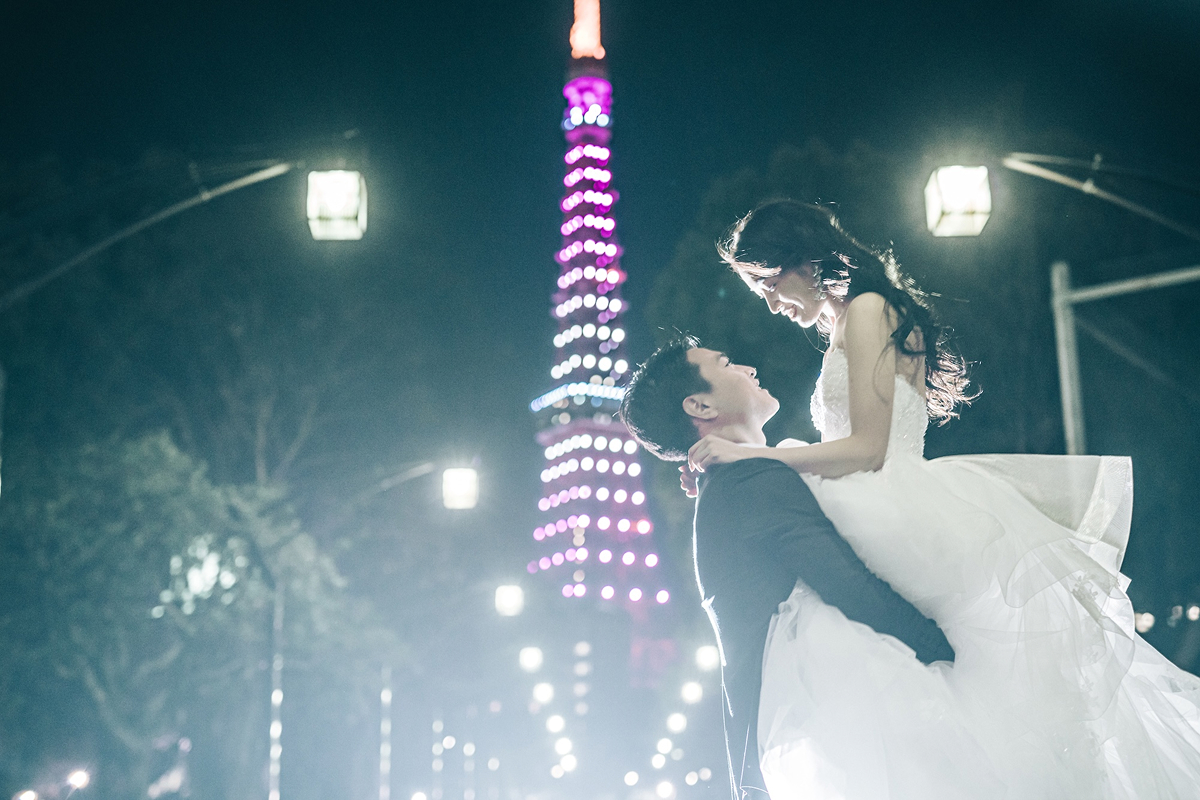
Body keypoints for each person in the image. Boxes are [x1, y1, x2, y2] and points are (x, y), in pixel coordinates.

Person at [679, 199, 1200, 798]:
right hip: (885, 498)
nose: (771, 303)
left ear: (803, 259)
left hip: (890, 500)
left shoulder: (869, 310)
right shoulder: (856, 318)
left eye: (769, 283)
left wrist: (760, 457)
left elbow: (869, 448)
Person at [619, 337, 986, 800]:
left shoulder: (733, 483)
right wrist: (949, 653)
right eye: (727, 363)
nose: (749, 367)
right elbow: (847, 584)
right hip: (828, 730)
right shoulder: (751, 481)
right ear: (700, 405)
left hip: (792, 743)